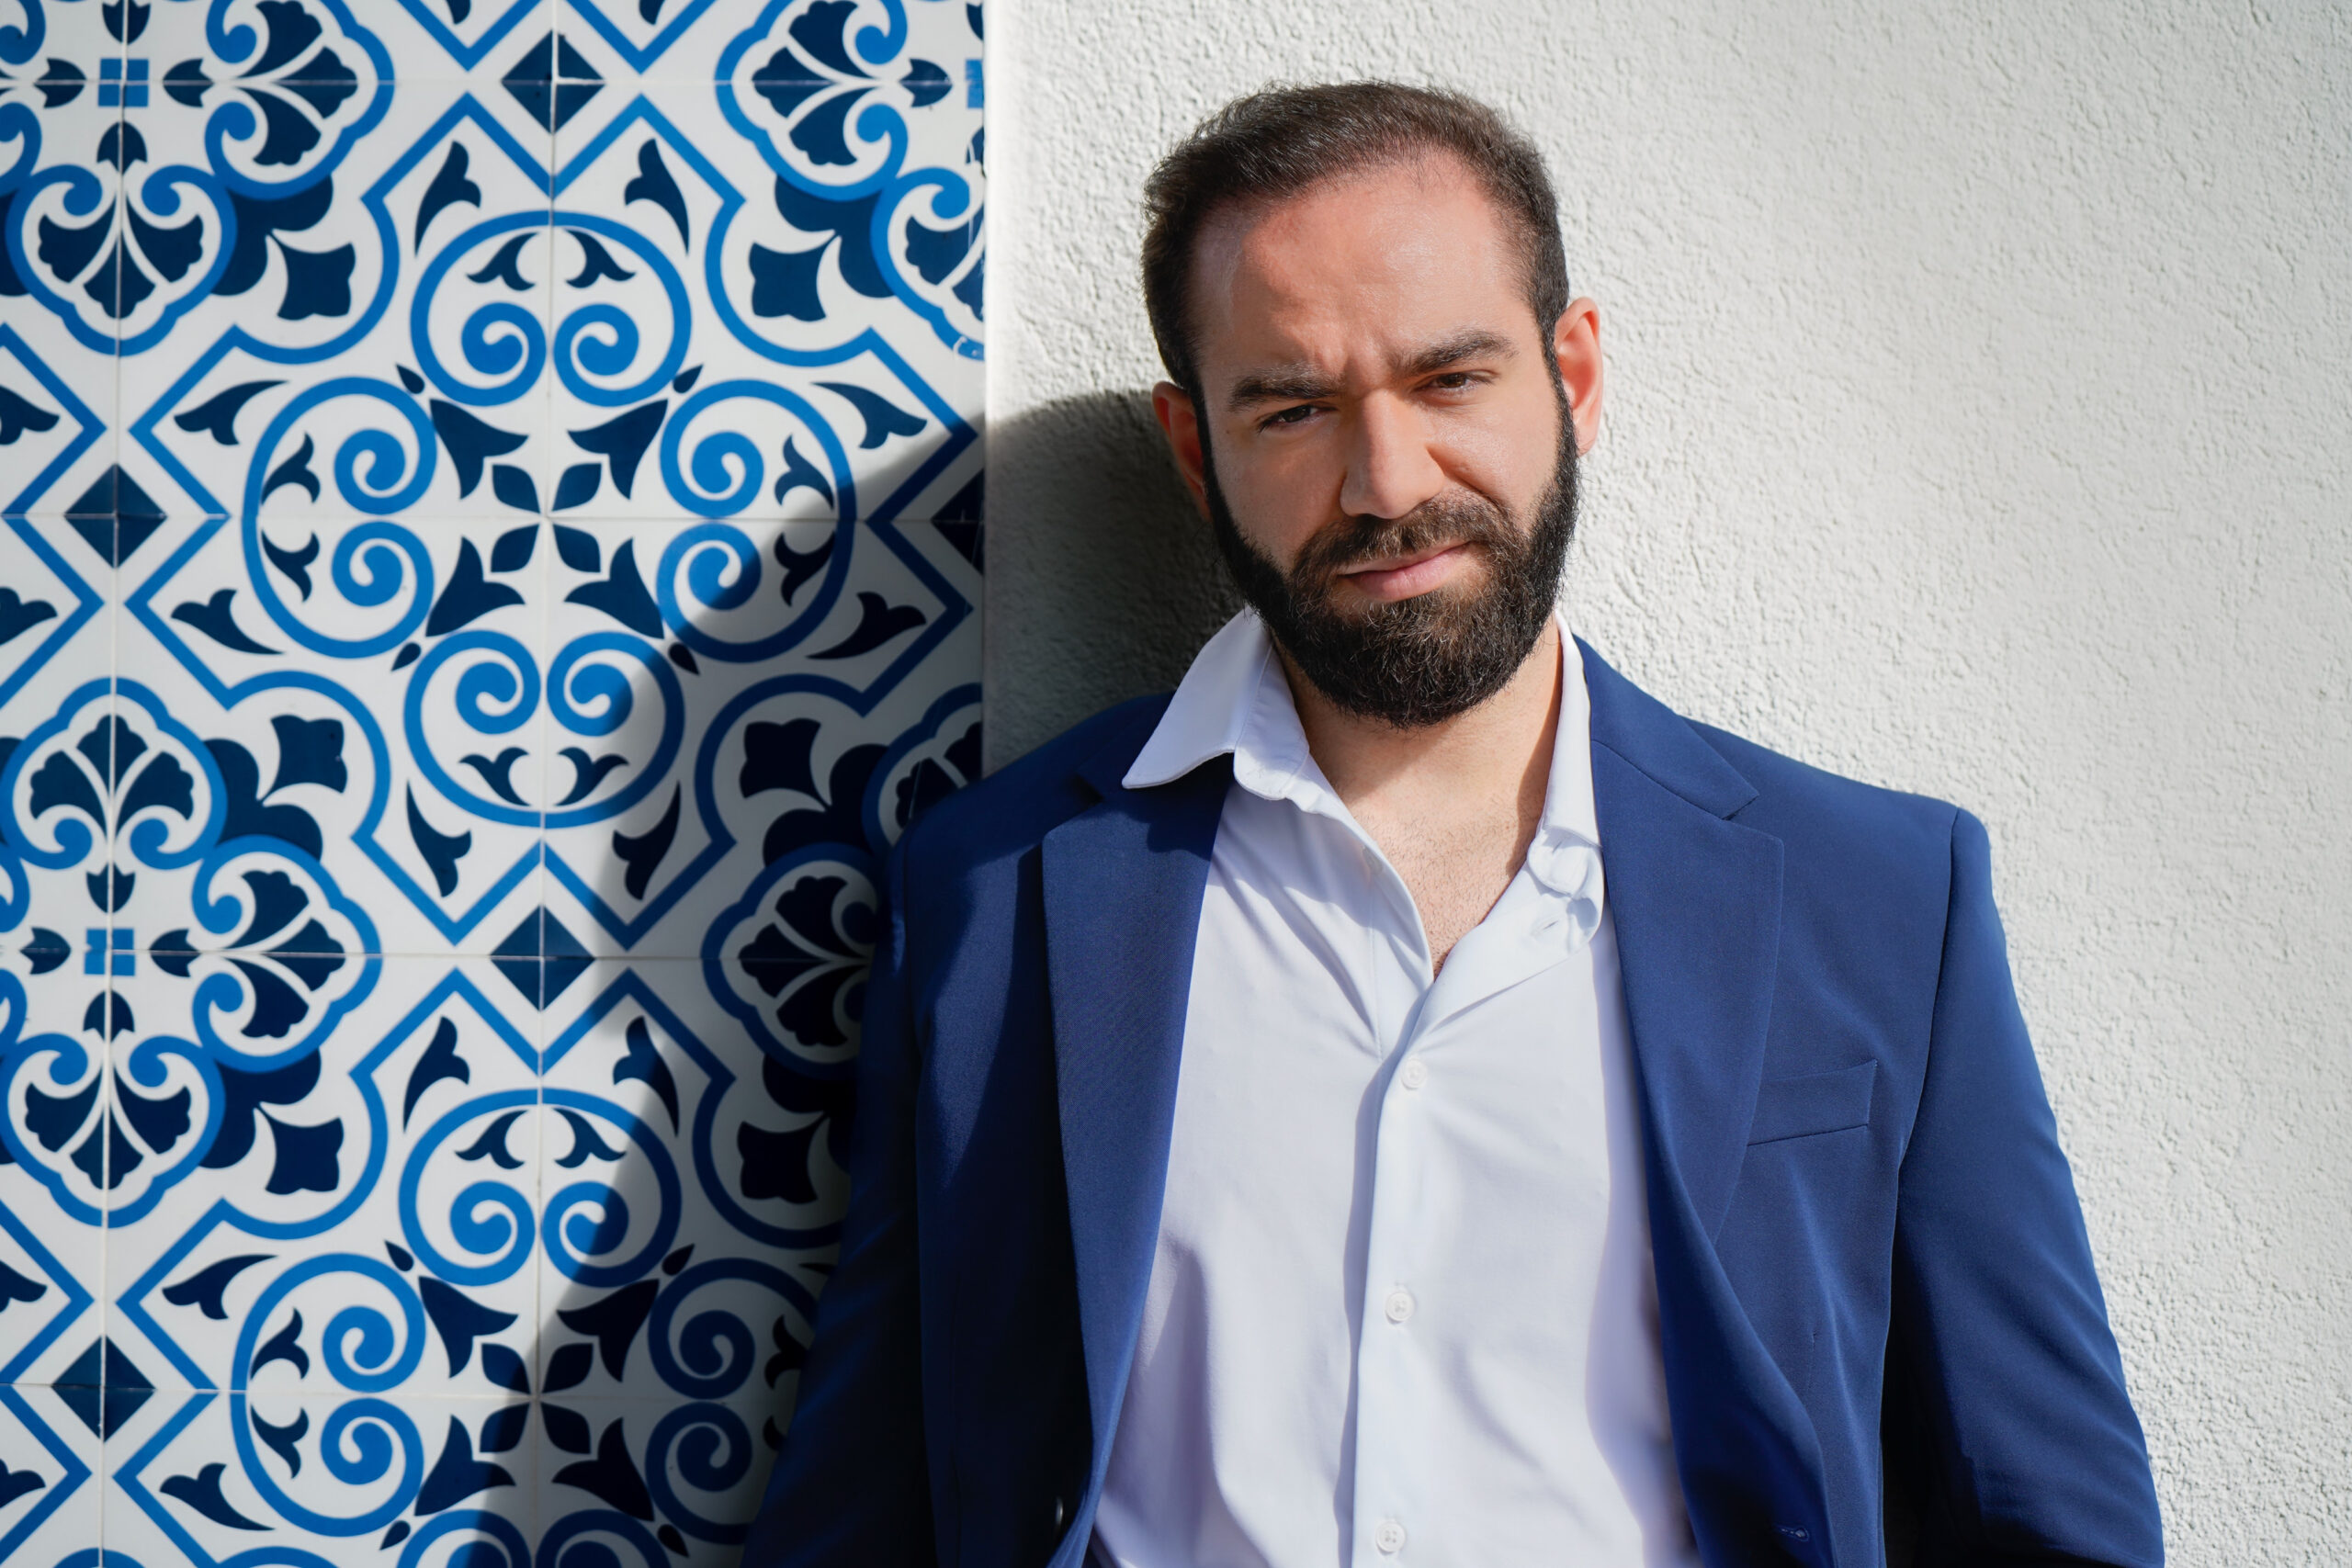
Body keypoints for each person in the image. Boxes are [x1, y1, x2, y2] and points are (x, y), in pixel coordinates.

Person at [741, 83, 2164, 1568]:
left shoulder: (1881, 903)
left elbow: (2049, 1520)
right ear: (1191, 446)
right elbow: (865, 1509)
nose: (1388, 482)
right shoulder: (992, 893)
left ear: (1576, 376)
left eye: (1450, 381)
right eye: (1291, 407)